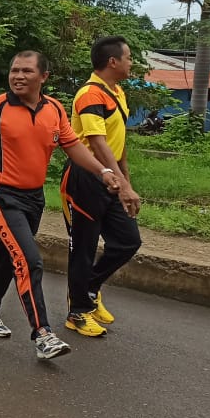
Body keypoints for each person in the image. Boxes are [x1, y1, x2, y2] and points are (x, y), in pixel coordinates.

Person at [0, 51, 121, 361]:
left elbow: (73, 147)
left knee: (7, 255)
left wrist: (103, 171)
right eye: (14, 71)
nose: (18, 76)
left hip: (34, 197)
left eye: (26, 71)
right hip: (0, 194)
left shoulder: (53, 110)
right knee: (29, 260)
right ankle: (42, 334)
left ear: (43, 77)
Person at [60, 36, 144, 337]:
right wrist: (120, 184)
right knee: (83, 248)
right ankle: (78, 311)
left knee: (127, 241)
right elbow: (96, 143)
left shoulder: (117, 92)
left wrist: (126, 183)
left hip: (111, 178)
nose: (131, 62)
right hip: (85, 177)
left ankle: (89, 289)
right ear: (113, 61)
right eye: (129, 57)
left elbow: (117, 146)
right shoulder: (89, 94)